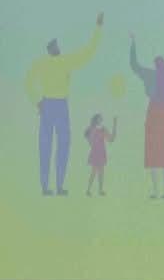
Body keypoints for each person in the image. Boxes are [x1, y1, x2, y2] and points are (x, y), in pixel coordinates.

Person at [25, 13, 103, 196]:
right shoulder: (46, 62)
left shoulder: (60, 61)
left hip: (57, 105)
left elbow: (88, 52)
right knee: (48, 145)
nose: (57, 47)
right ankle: (47, 186)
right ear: (50, 48)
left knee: (61, 145)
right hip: (51, 105)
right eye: (54, 45)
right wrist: (37, 101)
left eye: (57, 44)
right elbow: (29, 82)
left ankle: (57, 185)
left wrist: (98, 29)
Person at [130, 36, 164, 200]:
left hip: (154, 112)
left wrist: (133, 44)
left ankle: (157, 191)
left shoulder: (150, 75)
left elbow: (134, 66)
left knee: (154, 153)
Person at [83, 114, 118, 197]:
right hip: (95, 152)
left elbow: (111, 139)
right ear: (95, 119)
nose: (100, 120)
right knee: (94, 171)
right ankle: (88, 189)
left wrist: (115, 124)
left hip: (101, 152)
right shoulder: (91, 129)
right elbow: (89, 139)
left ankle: (100, 190)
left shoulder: (103, 129)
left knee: (101, 172)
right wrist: (91, 140)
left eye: (101, 119)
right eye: (99, 119)